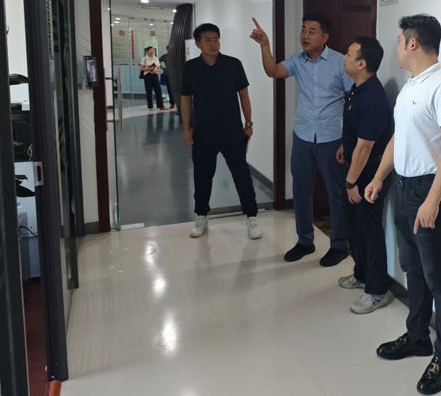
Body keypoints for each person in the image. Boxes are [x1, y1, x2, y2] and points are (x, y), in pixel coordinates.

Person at [365, 14, 441, 395]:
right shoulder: (411, 86)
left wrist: (433, 200)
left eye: (398, 40)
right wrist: (378, 177)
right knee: (413, 269)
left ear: (412, 43)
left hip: (431, 189)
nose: (396, 46)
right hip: (404, 187)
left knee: (440, 277)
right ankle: (417, 336)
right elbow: (399, 138)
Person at [250, 14, 352, 266]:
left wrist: (348, 138)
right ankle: (305, 241)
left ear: (324, 37)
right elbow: (273, 71)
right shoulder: (297, 60)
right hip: (303, 135)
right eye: (303, 29)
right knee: (301, 190)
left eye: (312, 31)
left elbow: (354, 98)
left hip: (332, 137)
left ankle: (340, 245)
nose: (305, 35)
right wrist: (265, 45)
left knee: (336, 193)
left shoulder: (340, 62)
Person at [180, 23, 263, 241]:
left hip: (232, 131)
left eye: (216, 39)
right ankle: (201, 216)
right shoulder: (191, 68)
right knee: (202, 176)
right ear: (198, 43)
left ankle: (252, 217)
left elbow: (244, 95)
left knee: (241, 174)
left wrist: (249, 123)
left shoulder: (233, 64)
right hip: (203, 131)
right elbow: (185, 99)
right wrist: (186, 128)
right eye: (207, 40)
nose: (213, 44)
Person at [336, 37, 395, 314]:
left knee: (370, 229)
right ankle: (361, 274)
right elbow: (356, 133)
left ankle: (377, 289)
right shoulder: (357, 89)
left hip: (369, 173)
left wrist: (351, 182)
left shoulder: (373, 98)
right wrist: (344, 147)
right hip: (356, 166)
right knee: (355, 226)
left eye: (349, 54)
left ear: (362, 64)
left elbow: (365, 147)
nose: (344, 57)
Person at [140, 46, 166, 110]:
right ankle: (150, 106)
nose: (152, 51)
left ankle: (161, 106)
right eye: (151, 50)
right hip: (147, 76)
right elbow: (142, 68)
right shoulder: (144, 59)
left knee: (158, 90)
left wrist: (155, 70)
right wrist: (149, 68)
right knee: (149, 91)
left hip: (155, 75)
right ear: (147, 51)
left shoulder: (156, 58)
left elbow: (158, 68)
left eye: (153, 50)